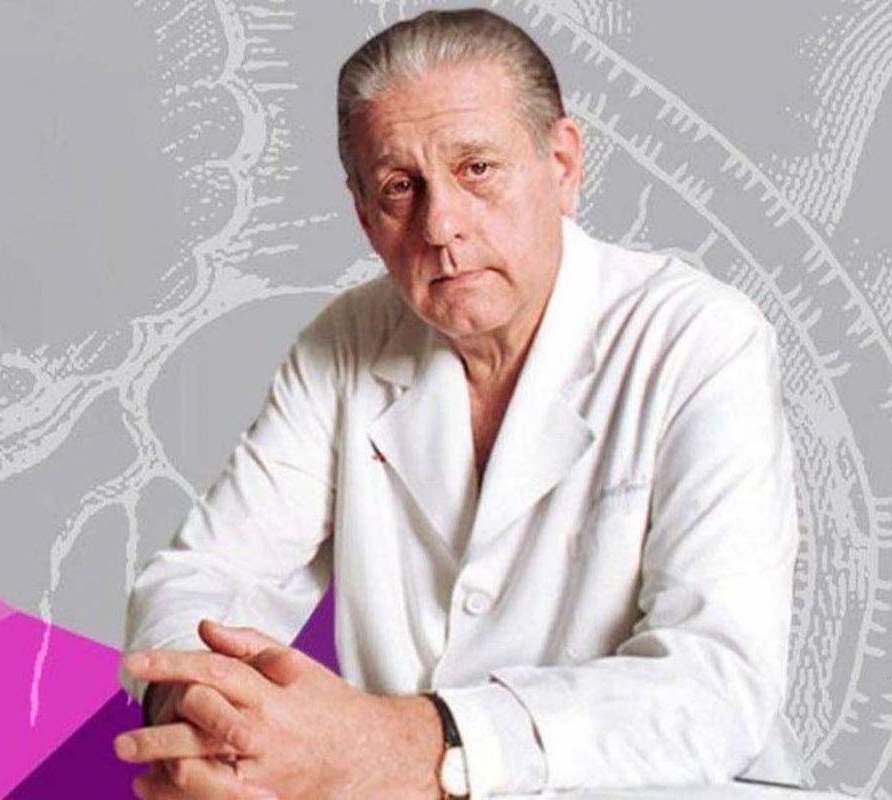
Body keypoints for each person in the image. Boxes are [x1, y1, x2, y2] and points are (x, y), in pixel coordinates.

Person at [113, 8, 804, 799]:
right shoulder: (344, 343)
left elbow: (716, 687)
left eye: (477, 168)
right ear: (364, 216)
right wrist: (211, 718)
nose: (441, 225)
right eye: (399, 187)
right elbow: (204, 576)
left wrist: (406, 744)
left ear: (562, 164)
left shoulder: (699, 338)